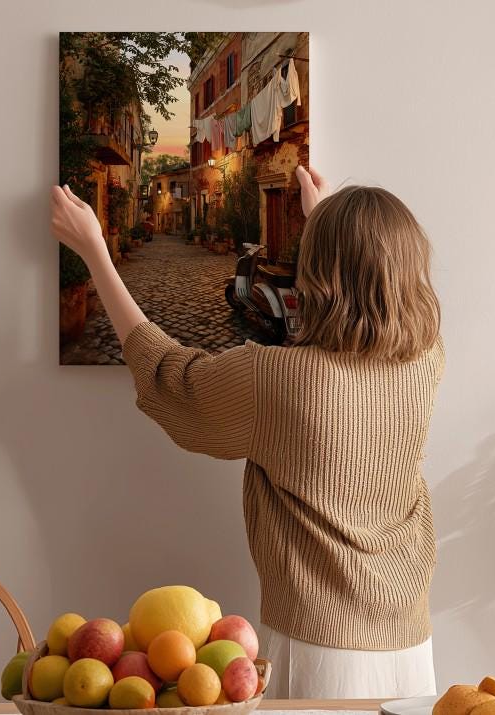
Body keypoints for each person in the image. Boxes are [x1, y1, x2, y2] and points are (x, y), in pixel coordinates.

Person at [50, 166, 444, 699]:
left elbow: (170, 374)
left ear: (317, 271)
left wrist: (94, 249)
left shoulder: (276, 379)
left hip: (317, 646)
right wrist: (327, 220)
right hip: (411, 645)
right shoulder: (426, 360)